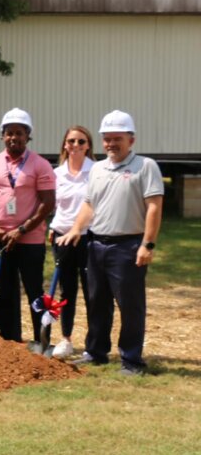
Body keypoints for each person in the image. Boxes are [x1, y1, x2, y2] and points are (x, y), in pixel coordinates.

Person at [57, 111, 163, 376]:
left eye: (117, 138)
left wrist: (147, 245)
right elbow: (89, 204)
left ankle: (131, 360)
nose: (111, 144)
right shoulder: (99, 169)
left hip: (128, 246)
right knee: (97, 302)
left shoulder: (145, 166)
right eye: (107, 139)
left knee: (130, 305)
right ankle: (96, 352)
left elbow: (154, 207)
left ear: (131, 139)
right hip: (96, 245)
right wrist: (76, 229)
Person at [0, 108, 56, 343]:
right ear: (2, 136)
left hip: (30, 241)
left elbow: (47, 203)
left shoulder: (40, 164)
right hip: (1, 240)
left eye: (19, 133)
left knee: (34, 293)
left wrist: (21, 230)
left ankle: (41, 342)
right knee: (4, 294)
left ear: (28, 135)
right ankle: (12, 342)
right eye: (9, 133)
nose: (14, 137)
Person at [48, 125, 96, 359]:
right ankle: (66, 338)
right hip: (62, 237)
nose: (76, 146)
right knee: (66, 290)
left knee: (92, 290)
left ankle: (93, 343)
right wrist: (52, 228)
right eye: (71, 141)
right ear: (65, 145)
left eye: (81, 142)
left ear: (88, 146)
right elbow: (54, 207)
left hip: (89, 236)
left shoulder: (96, 171)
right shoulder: (57, 174)